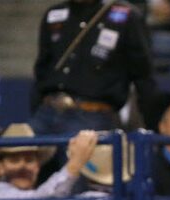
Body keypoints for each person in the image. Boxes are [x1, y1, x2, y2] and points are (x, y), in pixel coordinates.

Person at [30, 0, 157, 137]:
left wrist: (153, 124)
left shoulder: (127, 16)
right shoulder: (53, 14)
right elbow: (41, 70)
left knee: (82, 155)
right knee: (16, 150)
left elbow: (143, 76)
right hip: (46, 112)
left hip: (93, 114)